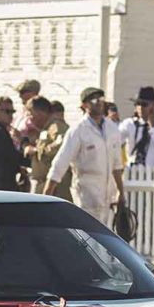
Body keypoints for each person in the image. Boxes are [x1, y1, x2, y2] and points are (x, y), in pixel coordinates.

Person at [44, 87, 123, 226]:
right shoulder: (78, 130)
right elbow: (60, 163)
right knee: (87, 239)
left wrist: (121, 192)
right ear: (84, 105)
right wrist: (46, 196)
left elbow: (117, 165)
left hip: (107, 198)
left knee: (105, 241)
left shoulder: (112, 129)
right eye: (93, 100)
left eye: (101, 99)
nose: (98, 102)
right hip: (86, 196)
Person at [120, 86, 154, 167]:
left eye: (144, 104)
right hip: (132, 171)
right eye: (138, 104)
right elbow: (114, 141)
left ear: (153, 105)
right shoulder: (129, 123)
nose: (140, 108)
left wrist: (152, 127)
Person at [30, 99, 71, 200]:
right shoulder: (46, 129)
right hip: (44, 184)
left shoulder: (56, 127)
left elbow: (61, 147)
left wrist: (38, 151)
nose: (30, 118)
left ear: (40, 113)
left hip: (55, 188)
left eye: (31, 114)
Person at [11, 78, 42, 143]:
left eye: (23, 92)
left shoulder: (38, 113)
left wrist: (20, 137)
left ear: (33, 93)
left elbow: (37, 136)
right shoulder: (21, 114)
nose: (20, 95)